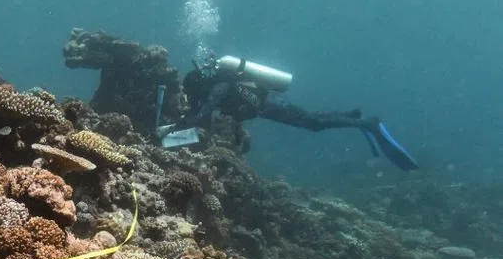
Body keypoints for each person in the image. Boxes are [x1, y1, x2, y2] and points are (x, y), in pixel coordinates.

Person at [172, 53, 420, 171]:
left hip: (271, 104)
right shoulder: (216, 85)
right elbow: (200, 112)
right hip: (266, 106)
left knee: (311, 122)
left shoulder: (218, 86)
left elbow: (203, 113)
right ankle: (352, 116)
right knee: (310, 120)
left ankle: (367, 123)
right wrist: (182, 124)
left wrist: (177, 133)